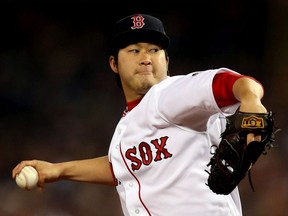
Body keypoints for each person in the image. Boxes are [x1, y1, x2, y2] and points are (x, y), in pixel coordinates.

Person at [12, 13, 268, 216]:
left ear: (166, 60)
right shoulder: (129, 125)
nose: (146, 58)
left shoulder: (168, 95)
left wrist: (251, 99)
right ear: (114, 63)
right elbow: (121, 167)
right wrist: (58, 170)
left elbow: (230, 83)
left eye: (154, 50)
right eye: (134, 50)